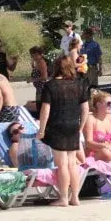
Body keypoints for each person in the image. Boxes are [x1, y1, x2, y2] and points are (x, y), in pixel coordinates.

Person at [38, 56, 89, 207]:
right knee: (72, 164)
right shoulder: (79, 84)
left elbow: (45, 109)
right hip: (73, 125)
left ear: (56, 67)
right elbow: (85, 108)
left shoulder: (51, 85)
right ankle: (76, 197)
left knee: (62, 165)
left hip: (57, 126)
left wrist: (41, 129)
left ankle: (64, 198)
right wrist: (80, 127)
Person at [27, 46, 49, 114]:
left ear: (39, 54)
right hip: (39, 88)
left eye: (34, 55)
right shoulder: (37, 62)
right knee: (39, 105)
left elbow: (44, 77)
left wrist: (33, 79)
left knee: (40, 106)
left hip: (42, 88)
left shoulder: (41, 63)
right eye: (32, 56)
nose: (33, 57)